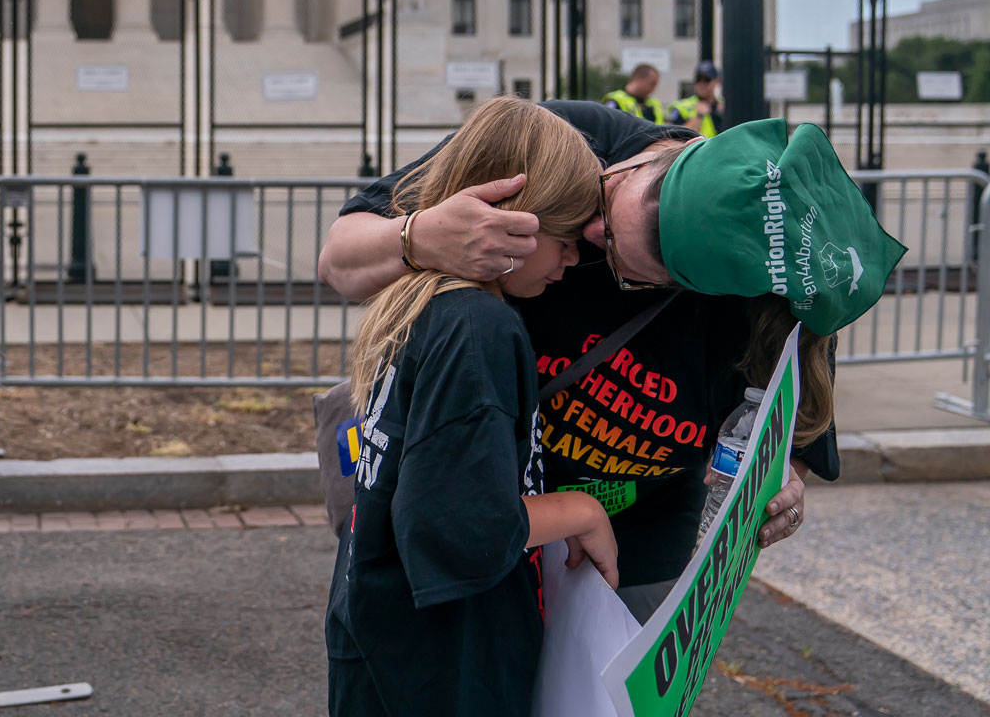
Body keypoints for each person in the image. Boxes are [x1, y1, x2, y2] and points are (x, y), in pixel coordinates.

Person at [318, 100, 904, 622]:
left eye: (617, 257)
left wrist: (781, 489)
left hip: (635, 548)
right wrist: (416, 236)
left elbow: (791, 444)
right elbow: (340, 261)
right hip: (486, 501)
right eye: (602, 206)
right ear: (645, 162)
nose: (588, 236)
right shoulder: (562, 142)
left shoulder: (761, 292)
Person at [327, 98, 617, 717]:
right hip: (448, 667)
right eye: (565, 239)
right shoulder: (479, 326)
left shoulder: (417, 301)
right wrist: (582, 510)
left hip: (386, 644)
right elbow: (463, 532)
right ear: (510, 221)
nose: (572, 260)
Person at [667, 60, 725, 137]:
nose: (701, 84)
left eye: (706, 80)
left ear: (717, 82)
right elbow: (675, 135)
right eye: (698, 79)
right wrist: (699, 116)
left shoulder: (722, 106)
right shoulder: (682, 106)